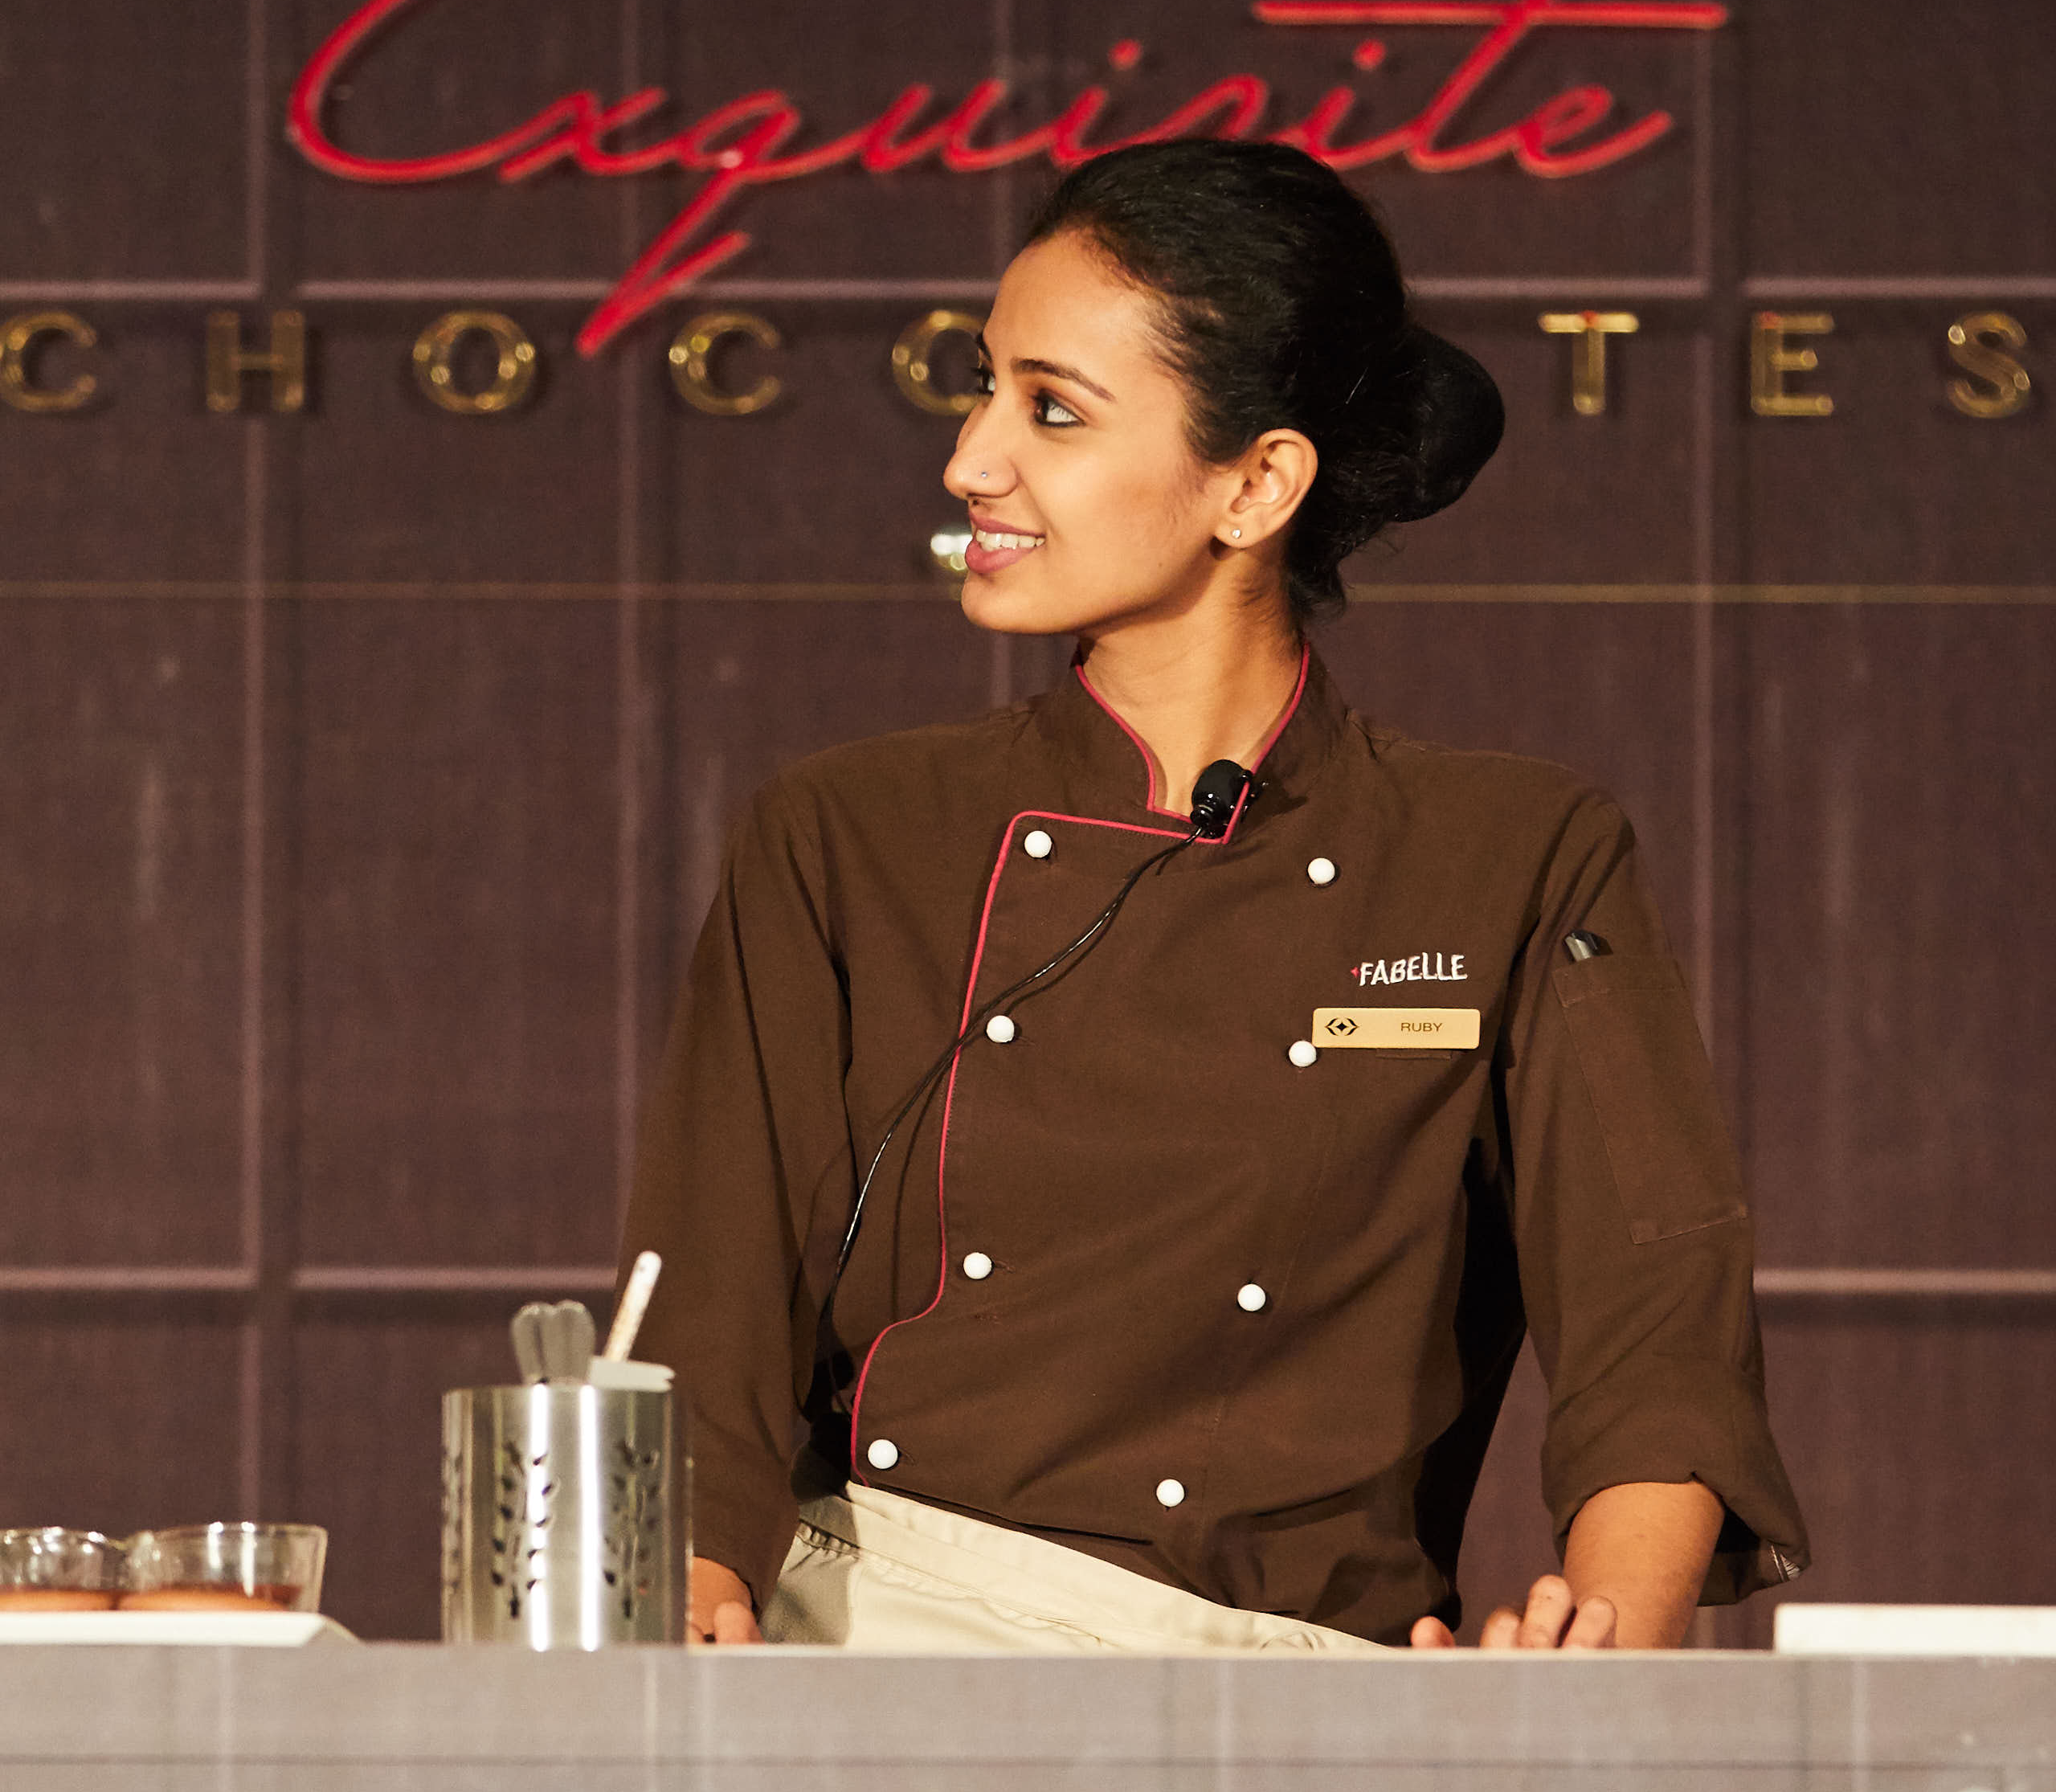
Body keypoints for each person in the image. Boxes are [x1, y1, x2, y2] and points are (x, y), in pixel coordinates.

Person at [627, 138, 1803, 1654]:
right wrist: (688, 1617)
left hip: (1309, 1686)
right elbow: (701, 1321)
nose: (972, 457)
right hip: (880, 1642)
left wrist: (1606, 1649)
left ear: (1256, 482)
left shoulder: (1511, 852)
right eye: (982, 390)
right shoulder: (846, 833)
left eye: (1050, 409)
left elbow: (1660, 1331)